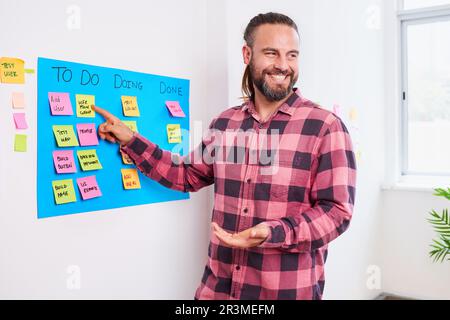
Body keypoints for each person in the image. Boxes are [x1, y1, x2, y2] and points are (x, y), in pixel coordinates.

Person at [94, 12, 357, 300]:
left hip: (285, 293)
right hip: (217, 290)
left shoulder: (325, 127)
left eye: (291, 55)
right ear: (248, 54)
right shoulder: (225, 123)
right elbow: (185, 174)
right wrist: (130, 139)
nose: (283, 65)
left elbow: (336, 213)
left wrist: (274, 233)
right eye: (271, 53)